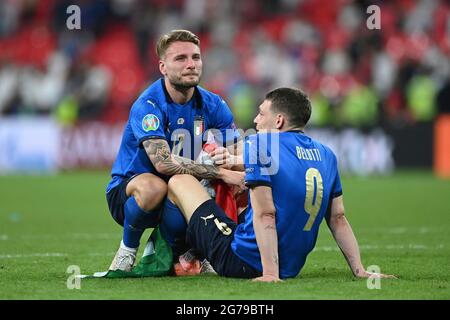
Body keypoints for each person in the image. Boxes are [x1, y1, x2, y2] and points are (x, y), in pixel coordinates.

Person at [166, 87, 396, 281]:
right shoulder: (327, 154)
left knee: (179, 181)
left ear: (278, 120)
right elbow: (338, 219)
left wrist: (270, 274)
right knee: (242, 186)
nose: (255, 120)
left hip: (241, 261)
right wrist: (360, 270)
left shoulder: (260, 143)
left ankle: (183, 254)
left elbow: (266, 214)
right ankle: (197, 251)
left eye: (261, 113)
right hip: (291, 268)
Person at [105, 29, 244, 272]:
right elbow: (163, 164)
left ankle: (198, 252)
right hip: (131, 193)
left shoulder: (213, 104)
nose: (191, 64)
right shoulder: (148, 105)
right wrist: (220, 172)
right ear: (163, 67)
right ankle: (127, 250)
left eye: (196, 57)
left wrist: (230, 160)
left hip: (178, 188)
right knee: (155, 186)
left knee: (234, 178)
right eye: (180, 59)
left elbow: (241, 156)